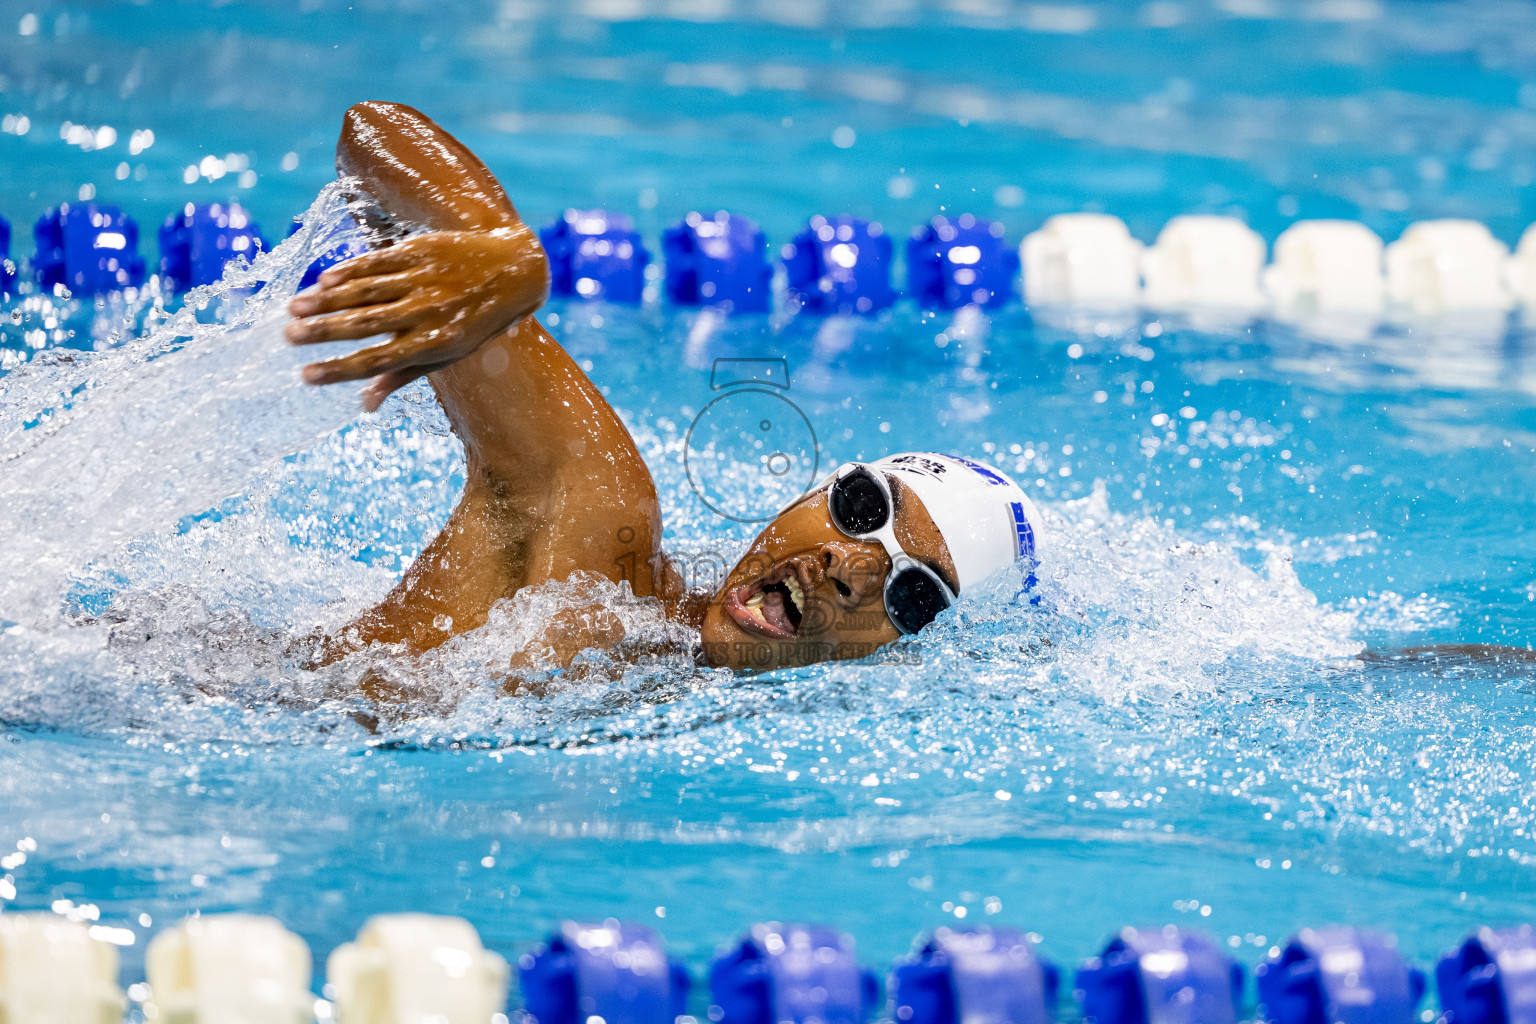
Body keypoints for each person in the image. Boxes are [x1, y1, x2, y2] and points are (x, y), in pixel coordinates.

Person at [286, 102, 1043, 674]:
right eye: (860, 509)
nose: (849, 569)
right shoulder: (588, 545)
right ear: (806, 497)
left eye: (913, 596)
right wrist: (493, 245)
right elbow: (371, 131)